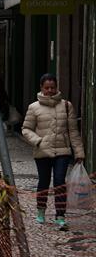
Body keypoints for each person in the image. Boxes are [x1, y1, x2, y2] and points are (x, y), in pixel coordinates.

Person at [22, 74, 85, 229]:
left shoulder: (66, 106)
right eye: (47, 88)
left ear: (57, 87)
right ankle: (41, 210)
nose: (50, 90)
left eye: (53, 87)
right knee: (44, 181)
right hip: (42, 151)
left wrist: (79, 152)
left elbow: (73, 131)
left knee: (59, 181)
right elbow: (26, 129)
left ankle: (60, 215)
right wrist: (38, 141)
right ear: (41, 88)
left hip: (62, 151)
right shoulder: (33, 107)